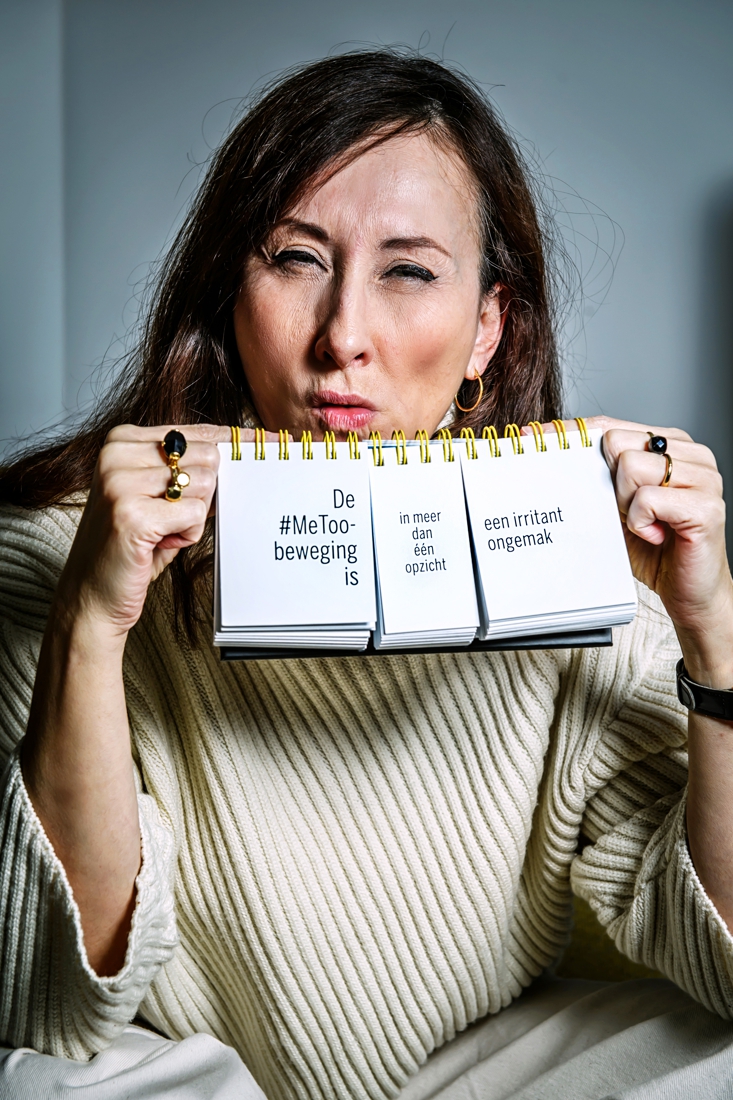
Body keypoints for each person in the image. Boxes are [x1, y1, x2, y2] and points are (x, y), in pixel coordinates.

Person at [0, 49, 732, 1100]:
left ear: (488, 327)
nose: (343, 335)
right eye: (296, 258)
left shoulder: (588, 578)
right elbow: (45, 1010)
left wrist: (716, 633)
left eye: (407, 270)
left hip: (476, 1067)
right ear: (228, 287)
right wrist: (89, 619)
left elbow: (725, 960)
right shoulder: (50, 557)